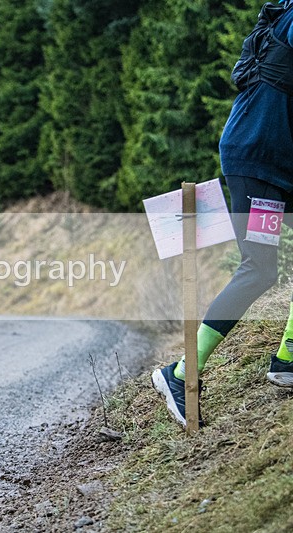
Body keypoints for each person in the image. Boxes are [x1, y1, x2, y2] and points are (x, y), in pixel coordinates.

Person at [152, 1, 293, 428]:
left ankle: (286, 360)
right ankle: (179, 374)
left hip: (278, 164)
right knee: (260, 268)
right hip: (259, 165)